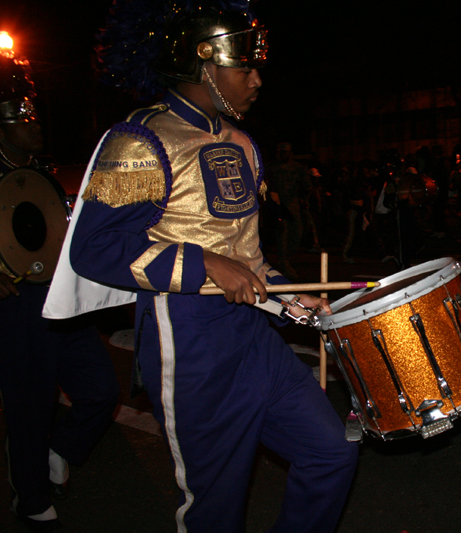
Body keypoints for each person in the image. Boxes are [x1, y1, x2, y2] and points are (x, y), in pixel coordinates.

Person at [43, 3, 358, 532]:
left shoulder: (242, 142)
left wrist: (289, 296)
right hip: (189, 346)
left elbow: (247, 257)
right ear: (203, 65)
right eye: (245, 67)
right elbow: (94, 247)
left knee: (331, 452)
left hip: (255, 337)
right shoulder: (141, 139)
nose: (257, 80)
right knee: (215, 506)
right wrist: (205, 264)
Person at [0, 48, 119, 532]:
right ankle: (29, 497)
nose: (35, 125)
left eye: (34, 116)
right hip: (16, 302)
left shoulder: (44, 171)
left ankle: (61, 447)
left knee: (101, 390)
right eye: (22, 118)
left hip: (60, 295)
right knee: (30, 402)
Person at [265, 142, 312, 280]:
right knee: (282, 235)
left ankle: (286, 259)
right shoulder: (271, 168)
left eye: (285, 152)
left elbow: (307, 186)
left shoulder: (298, 168)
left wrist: (305, 200)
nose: (282, 154)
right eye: (280, 152)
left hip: (293, 205)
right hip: (277, 206)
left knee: (297, 233)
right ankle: (284, 262)